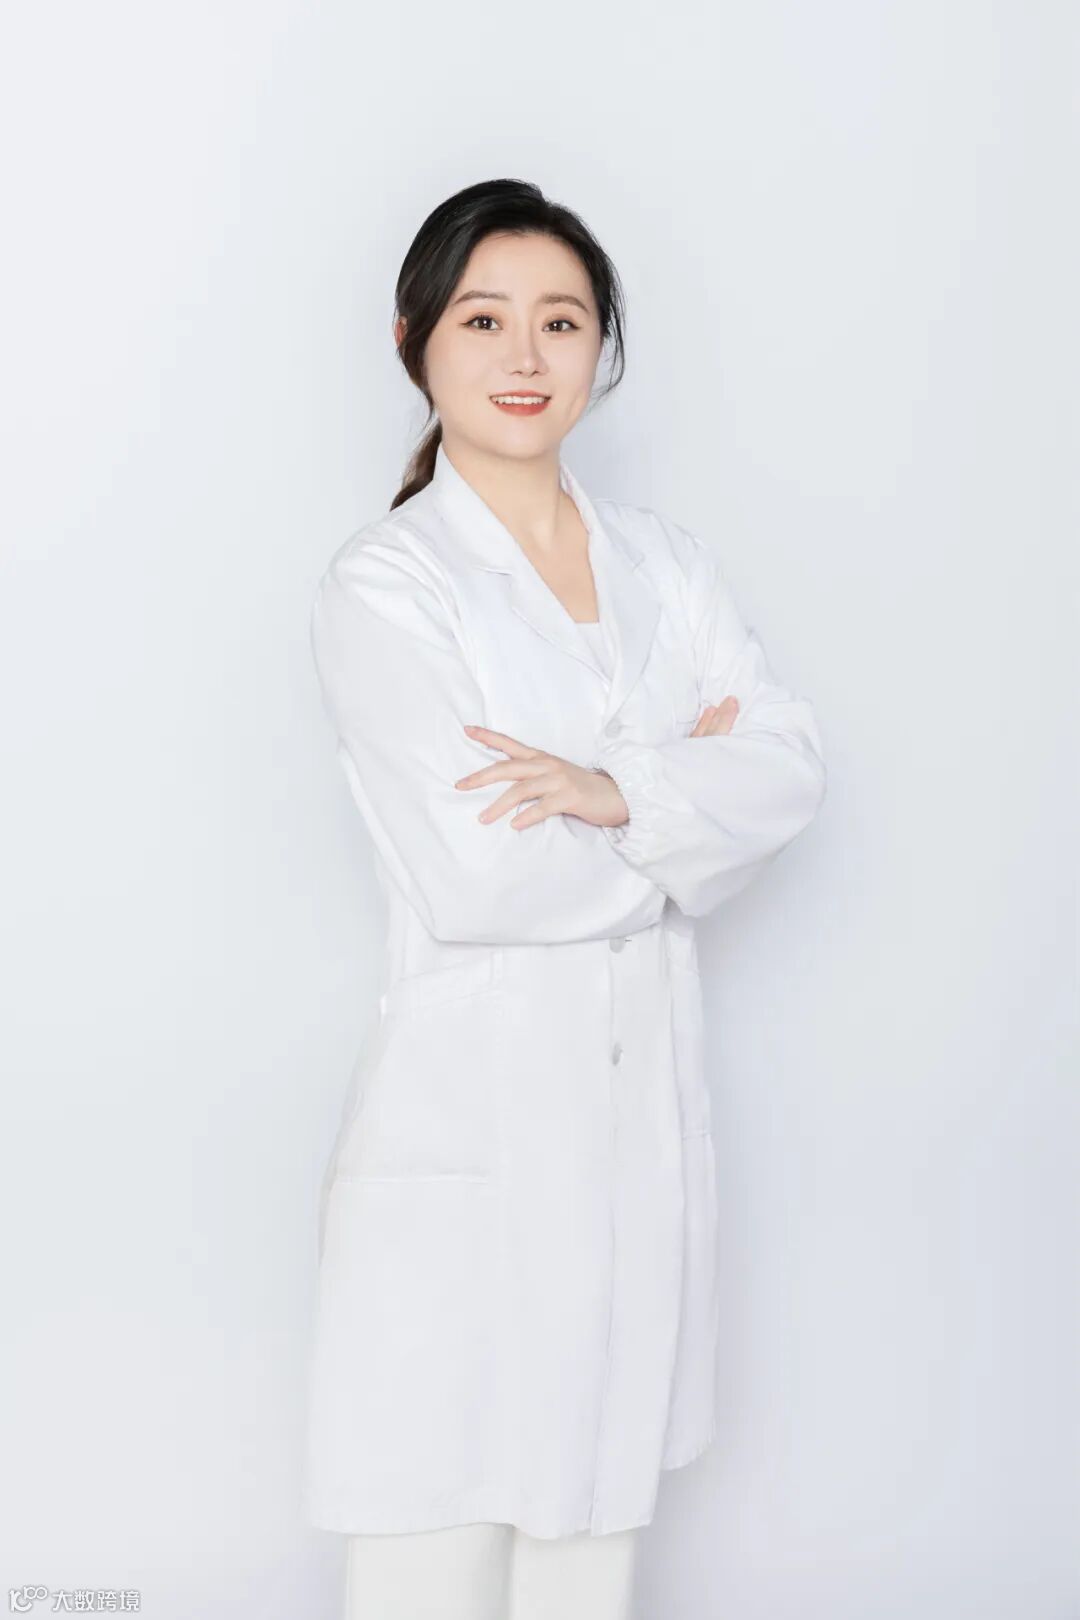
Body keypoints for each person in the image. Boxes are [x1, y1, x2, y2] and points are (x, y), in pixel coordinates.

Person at [303, 177, 827, 1620]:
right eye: (484, 320)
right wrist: (684, 817)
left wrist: (606, 790)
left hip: (633, 1135)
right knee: (431, 1534)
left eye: (562, 320)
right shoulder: (389, 587)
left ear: (603, 344)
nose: (526, 355)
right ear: (412, 338)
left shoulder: (666, 566)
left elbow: (790, 768)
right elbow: (482, 875)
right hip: (472, 1128)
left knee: (590, 1547)